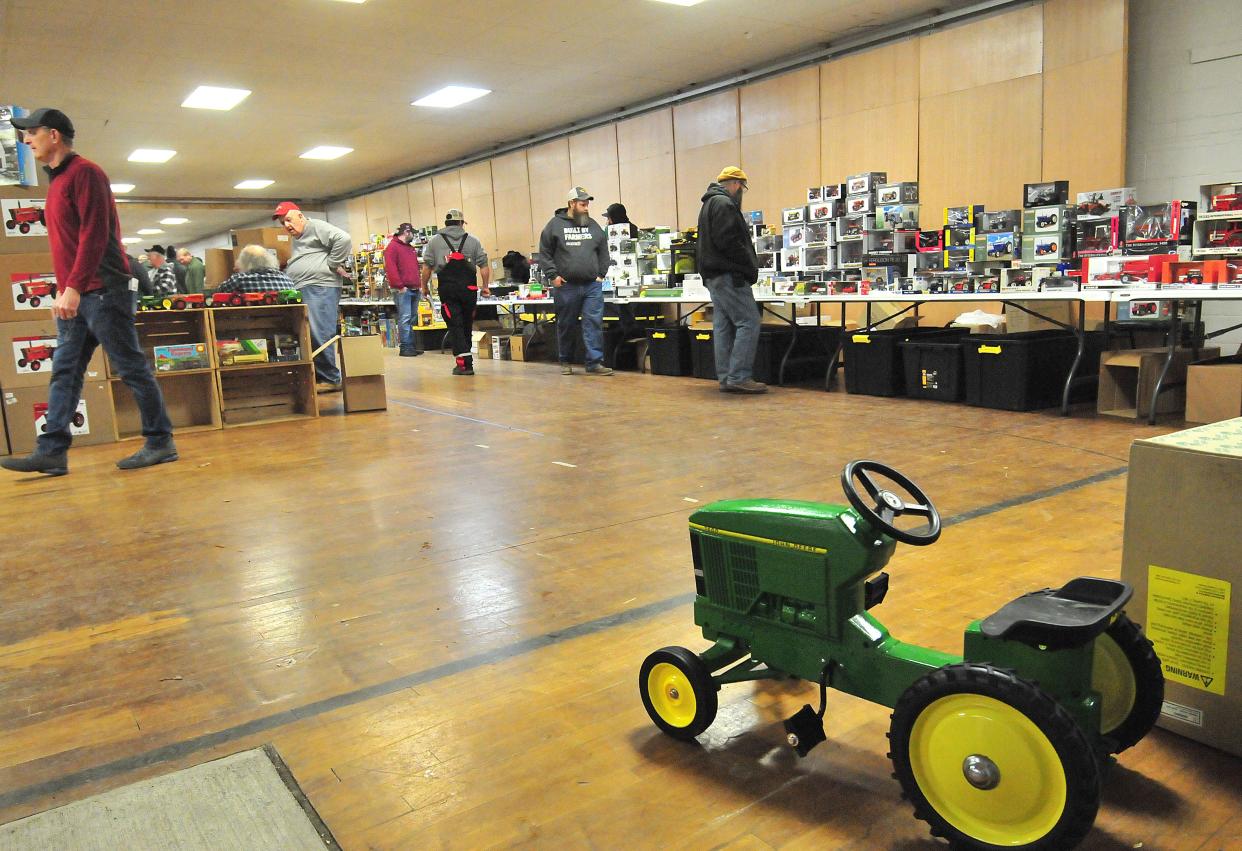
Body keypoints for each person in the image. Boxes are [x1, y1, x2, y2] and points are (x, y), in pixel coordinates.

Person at [1, 108, 176, 476]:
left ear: (53, 134)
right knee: (64, 372)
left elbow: (94, 235)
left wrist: (75, 287)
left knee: (130, 369)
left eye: (31, 132)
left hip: (105, 291)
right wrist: (64, 289)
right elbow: (67, 244)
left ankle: (160, 442)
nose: (26, 140)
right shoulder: (57, 182)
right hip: (79, 294)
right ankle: (51, 451)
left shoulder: (86, 173)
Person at [697, 166, 765, 394]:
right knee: (749, 321)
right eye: (742, 188)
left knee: (723, 325)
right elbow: (730, 242)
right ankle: (739, 376)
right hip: (729, 274)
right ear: (736, 184)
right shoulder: (725, 205)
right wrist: (748, 264)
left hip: (713, 276)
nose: (741, 193)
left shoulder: (708, 204)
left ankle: (726, 377)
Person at [275, 201, 352, 390]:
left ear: (300, 216)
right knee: (309, 333)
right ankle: (319, 377)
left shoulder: (315, 226)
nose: (286, 226)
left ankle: (330, 379)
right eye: (283, 223)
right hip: (307, 287)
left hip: (320, 287)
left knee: (320, 332)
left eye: (288, 220)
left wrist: (333, 263)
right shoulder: (300, 237)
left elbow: (344, 238)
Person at [538, 187, 613, 376]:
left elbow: (604, 251)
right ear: (571, 204)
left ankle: (594, 363)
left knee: (593, 324)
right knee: (566, 324)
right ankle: (565, 360)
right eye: (583, 204)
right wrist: (552, 275)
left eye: (587, 204)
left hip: (591, 286)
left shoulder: (593, 226)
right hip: (566, 286)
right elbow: (545, 253)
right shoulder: (554, 225)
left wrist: (601, 274)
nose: (586, 207)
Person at [420, 209, 490, 375]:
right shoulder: (473, 240)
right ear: (461, 223)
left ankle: (463, 363)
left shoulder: (434, 242)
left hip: (448, 288)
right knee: (466, 322)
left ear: (446, 224)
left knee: (454, 323)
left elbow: (427, 268)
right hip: (469, 289)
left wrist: (424, 286)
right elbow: (484, 266)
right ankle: (467, 362)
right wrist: (485, 286)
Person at [384, 222, 424, 357]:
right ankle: (406, 347)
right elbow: (391, 268)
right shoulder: (392, 248)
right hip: (403, 290)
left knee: (411, 319)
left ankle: (410, 345)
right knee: (405, 318)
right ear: (407, 232)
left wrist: (419, 285)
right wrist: (400, 286)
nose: (414, 235)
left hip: (414, 288)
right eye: (412, 233)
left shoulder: (410, 248)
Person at [216, 244, 294, 293]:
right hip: (285, 319)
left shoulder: (239, 280)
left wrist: (239, 272)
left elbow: (218, 293)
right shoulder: (287, 280)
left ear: (246, 263)